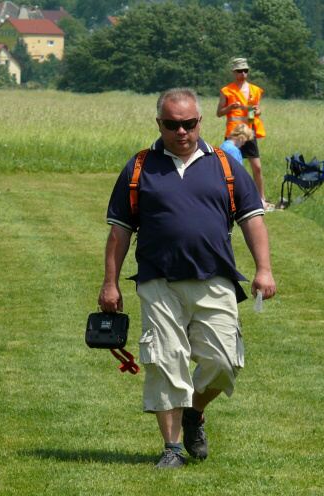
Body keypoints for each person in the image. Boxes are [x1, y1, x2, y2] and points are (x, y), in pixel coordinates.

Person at [98, 88, 276, 469]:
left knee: (225, 362)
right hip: (157, 281)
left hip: (215, 280)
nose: (181, 132)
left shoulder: (226, 166)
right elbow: (119, 233)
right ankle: (172, 448)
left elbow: (252, 220)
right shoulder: (139, 167)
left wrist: (264, 269)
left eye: (189, 124)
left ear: (200, 121)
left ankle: (194, 411)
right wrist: (110, 283)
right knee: (166, 361)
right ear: (159, 123)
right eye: (172, 124)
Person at [216, 57, 273, 211]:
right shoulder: (226, 90)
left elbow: (258, 109)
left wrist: (257, 111)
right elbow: (219, 113)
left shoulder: (255, 90)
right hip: (234, 134)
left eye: (245, 70)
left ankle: (261, 199)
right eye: (240, 71)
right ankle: (229, 200)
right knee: (231, 168)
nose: (243, 73)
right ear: (234, 72)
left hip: (249, 132)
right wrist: (229, 108)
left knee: (257, 167)